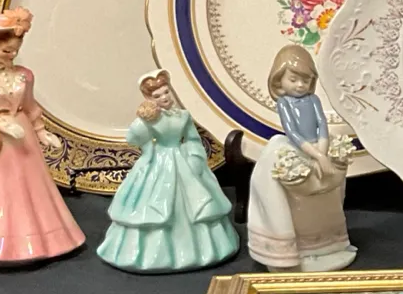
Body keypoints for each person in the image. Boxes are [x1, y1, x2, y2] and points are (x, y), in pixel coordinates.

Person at [0, 8, 87, 265]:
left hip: (24, 135)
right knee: (0, 187)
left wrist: (41, 131)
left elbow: (30, 106)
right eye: (6, 50)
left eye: (15, 50)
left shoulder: (24, 75)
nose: (12, 55)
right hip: (0, 141)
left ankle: (44, 237)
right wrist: (2, 124)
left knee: (32, 185)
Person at [96, 69, 239, 273]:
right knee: (155, 203)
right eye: (157, 95)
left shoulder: (183, 116)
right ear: (149, 98)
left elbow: (193, 139)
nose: (164, 97)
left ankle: (201, 249)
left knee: (196, 201)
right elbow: (133, 139)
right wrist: (143, 121)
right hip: (158, 163)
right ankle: (153, 254)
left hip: (183, 162)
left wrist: (195, 158)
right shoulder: (152, 119)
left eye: (166, 92)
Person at [248, 44, 355, 272]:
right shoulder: (284, 103)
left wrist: (323, 152)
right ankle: (297, 249)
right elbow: (293, 133)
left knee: (325, 200)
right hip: (300, 149)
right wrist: (317, 155)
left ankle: (328, 245)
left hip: (319, 147)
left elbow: (322, 125)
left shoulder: (313, 101)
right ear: (279, 80)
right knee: (297, 201)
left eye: (305, 80)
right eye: (293, 79)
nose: (300, 85)